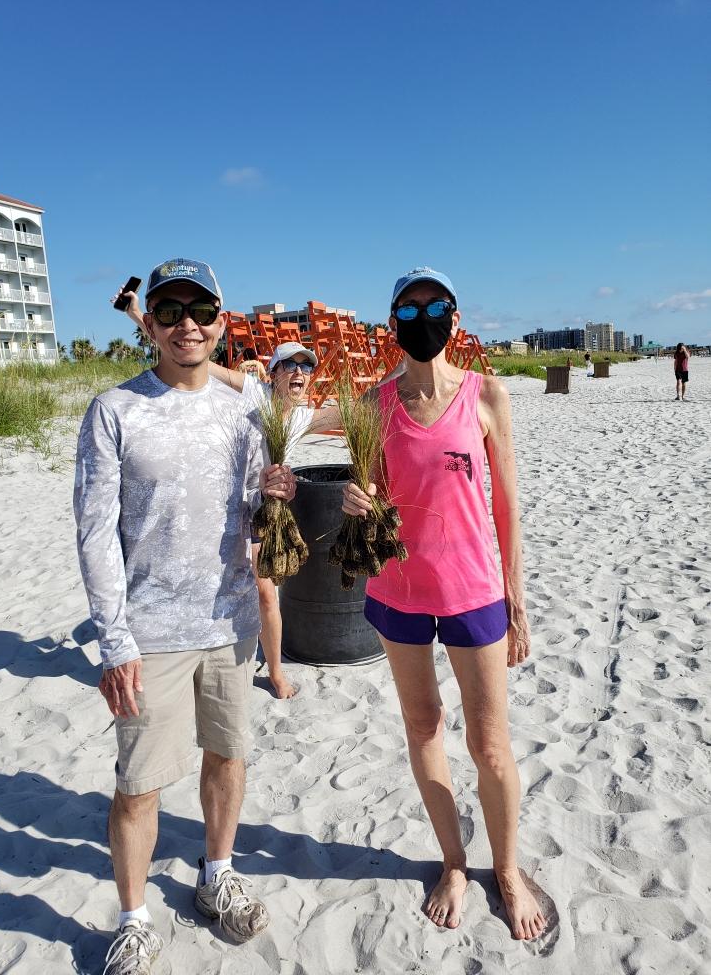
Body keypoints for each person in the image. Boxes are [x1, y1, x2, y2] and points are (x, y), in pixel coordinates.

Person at [78, 258, 297, 974]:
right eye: (169, 311)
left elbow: (250, 515)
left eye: (200, 309)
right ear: (150, 325)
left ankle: (216, 872)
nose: (187, 324)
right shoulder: (115, 410)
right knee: (139, 785)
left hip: (230, 623)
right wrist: (115, 642)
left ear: (221, 322)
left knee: (228, 758)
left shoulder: (246, 411)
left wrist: (274, 495)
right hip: (149, 632)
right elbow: (94, 534)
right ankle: (135, 920)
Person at [342, 267, 546, 941]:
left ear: (455, 319)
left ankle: (508, 870)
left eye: (435, 305)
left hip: (474, 590)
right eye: (409, 306)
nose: (422, 316)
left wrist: (517, 600)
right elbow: (370, 497)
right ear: (393, 321)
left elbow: (506, 502)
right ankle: (455, 864)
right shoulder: (373, 406)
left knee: (490, 746)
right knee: (423, 726)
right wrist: (359, 503)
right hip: (399, 591)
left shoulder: (487, 394)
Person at [120, 295, 340, 699]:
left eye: (306, 365)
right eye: (289, 364)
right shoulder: (254, 393)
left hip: (267, 508)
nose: (298, 371)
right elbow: (200, 362)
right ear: (272, 373)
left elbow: (356, 413)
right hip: (226, 506)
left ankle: (274, 671)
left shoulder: (303, 416)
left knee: (266, 592)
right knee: (253, 589)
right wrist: (139, 314)